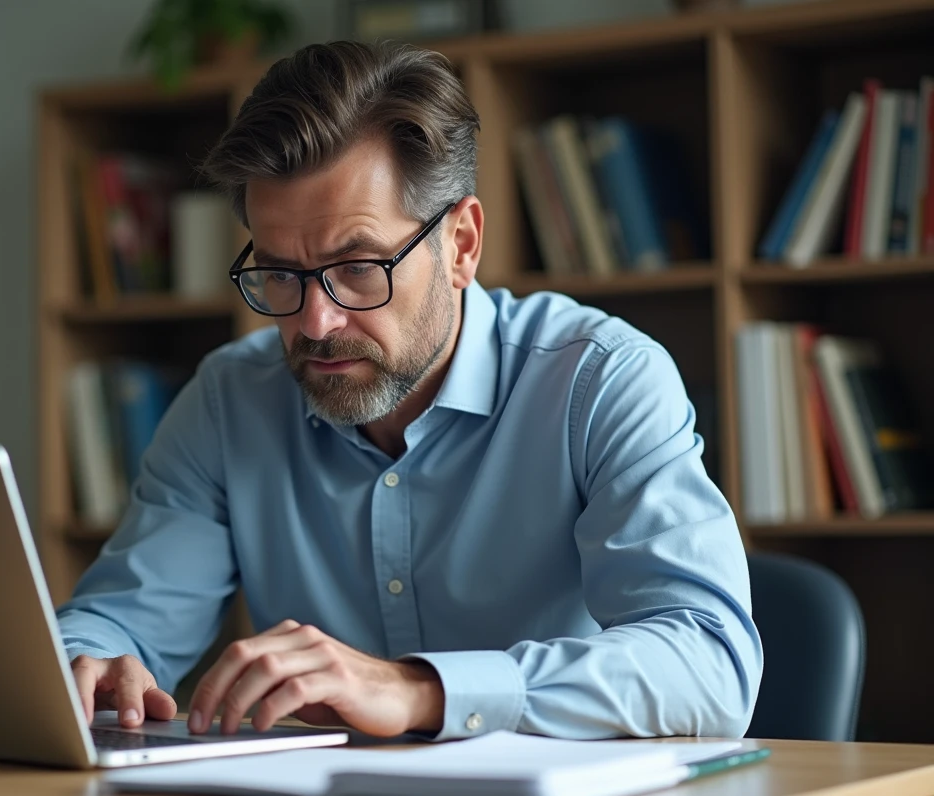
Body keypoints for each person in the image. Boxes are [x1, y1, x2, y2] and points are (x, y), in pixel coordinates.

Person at [56, 40, 762, 742]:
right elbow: (122, 620)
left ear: (460, 245)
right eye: (280, 273)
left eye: (358, 267)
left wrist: (422, 689)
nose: (315, 322)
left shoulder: (600, 380)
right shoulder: (228, 401)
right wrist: (86, 661)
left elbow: (710, 663)